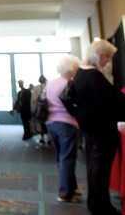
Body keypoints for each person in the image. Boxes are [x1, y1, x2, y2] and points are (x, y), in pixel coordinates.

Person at [72, 39, 125, 215]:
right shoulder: (94, 76)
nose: (108, 62)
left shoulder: (80, 73)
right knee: (100, 171)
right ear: (99, 55)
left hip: (90, 130)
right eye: (107, 57)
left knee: (94, 169)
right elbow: (113, 102)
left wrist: (80, 118)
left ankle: (95, 204)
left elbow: (69, 99)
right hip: (102, 131)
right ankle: (101, 206)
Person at [45, 55, 81, 204]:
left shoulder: (51, 83)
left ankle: (72, 188)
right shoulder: (70, 84)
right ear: (71, 68)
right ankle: (65, 193)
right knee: (67, 158)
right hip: (67, 123)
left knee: (62, 158)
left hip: (51, 123)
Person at [31, 75, 48, 145]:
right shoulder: (49, 87)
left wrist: (33, 110)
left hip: (39, 109)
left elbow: (33, 100)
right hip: (48, 108)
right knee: (48, 123)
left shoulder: (36, 88)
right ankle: (49, 138)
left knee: (41, 123)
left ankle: (42, 138)